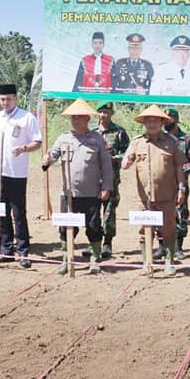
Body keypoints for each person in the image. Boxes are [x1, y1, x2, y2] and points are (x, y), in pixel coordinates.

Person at [43, 99, 113, 275]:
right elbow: (52, 155)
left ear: (87, 119)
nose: (76, 121)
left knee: (94, 227)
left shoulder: (97, 139)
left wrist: (106, 187)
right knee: (67, 228)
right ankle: (67, 260)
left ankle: (94, 260)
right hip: (68, 194)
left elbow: (106, 166)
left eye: (80, 118)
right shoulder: (64, 138)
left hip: (91, 194)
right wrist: (47, 159)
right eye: (73, 118)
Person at [0, 84, 43, 268]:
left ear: (16, 98)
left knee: (19, 212)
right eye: (2, 99)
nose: (5, 102)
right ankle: (6, 250)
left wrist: (24, 148)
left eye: (9, 99)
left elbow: (37, 141)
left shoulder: (26, 117)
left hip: (17, 172)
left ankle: (23, 251)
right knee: (1, 212)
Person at [122, 105, 186, 276]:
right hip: (144, 197)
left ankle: (169, 261)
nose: (151, 124)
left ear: (161, 122)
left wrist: (181, 188)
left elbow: (180, 166)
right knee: (144, 229)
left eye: (155, 120)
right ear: (144, 123)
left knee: (169, 228)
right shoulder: (137, 142)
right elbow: (125, 164)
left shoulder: (172, 142)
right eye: (148, 120)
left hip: (167, 195)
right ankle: (146, 262)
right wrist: (127, 161)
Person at [159, 107, 190, 261]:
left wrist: (180, 172)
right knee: (161, 213)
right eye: (164, 118)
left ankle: (178, 246)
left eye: (169, 117)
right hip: (161, 184)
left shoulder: (186, 140)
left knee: (180, 213)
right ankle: (162, 246)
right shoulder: (159, 138)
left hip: (179, 185)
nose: (166, 121)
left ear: (176, 119)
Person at [94, 102, 129, 258]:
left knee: (109, 211)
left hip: (111, 177)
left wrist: (115, 158)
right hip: (93, 178)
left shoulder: (119, 132)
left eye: (106, 112)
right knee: (93, 211)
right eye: (100, 112)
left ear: (111, 114)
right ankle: (94, 242)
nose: (103, 115)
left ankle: (107, 243)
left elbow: (128, 152)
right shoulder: (92, 132)